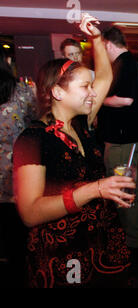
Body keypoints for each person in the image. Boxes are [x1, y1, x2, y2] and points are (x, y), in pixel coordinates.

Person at [13, 13, 134, 288]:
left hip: (101, 240)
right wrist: (95, 190)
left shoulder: (81, 123)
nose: (93, 93)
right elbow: (30, 212)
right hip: (63, 255)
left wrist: (95, 38)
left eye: (92, 87)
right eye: (85, 87)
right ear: (57, 92)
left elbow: (105, 75)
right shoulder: (32, 139)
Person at [98, 27, 138, 259]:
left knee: (123, 189)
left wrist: (98, 100)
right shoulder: (125, 63)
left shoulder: (126, 63)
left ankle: (135, 240)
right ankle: (133, 237)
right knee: (126, 187)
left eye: (101, 47)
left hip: (124, 139)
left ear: (108, 44)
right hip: (123, 139)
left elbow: (125, 99)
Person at [0, 47, 38, 287]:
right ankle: (20, 265)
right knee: (17, 220)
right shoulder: (22, 91)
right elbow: (34, 122)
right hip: (15, 164)